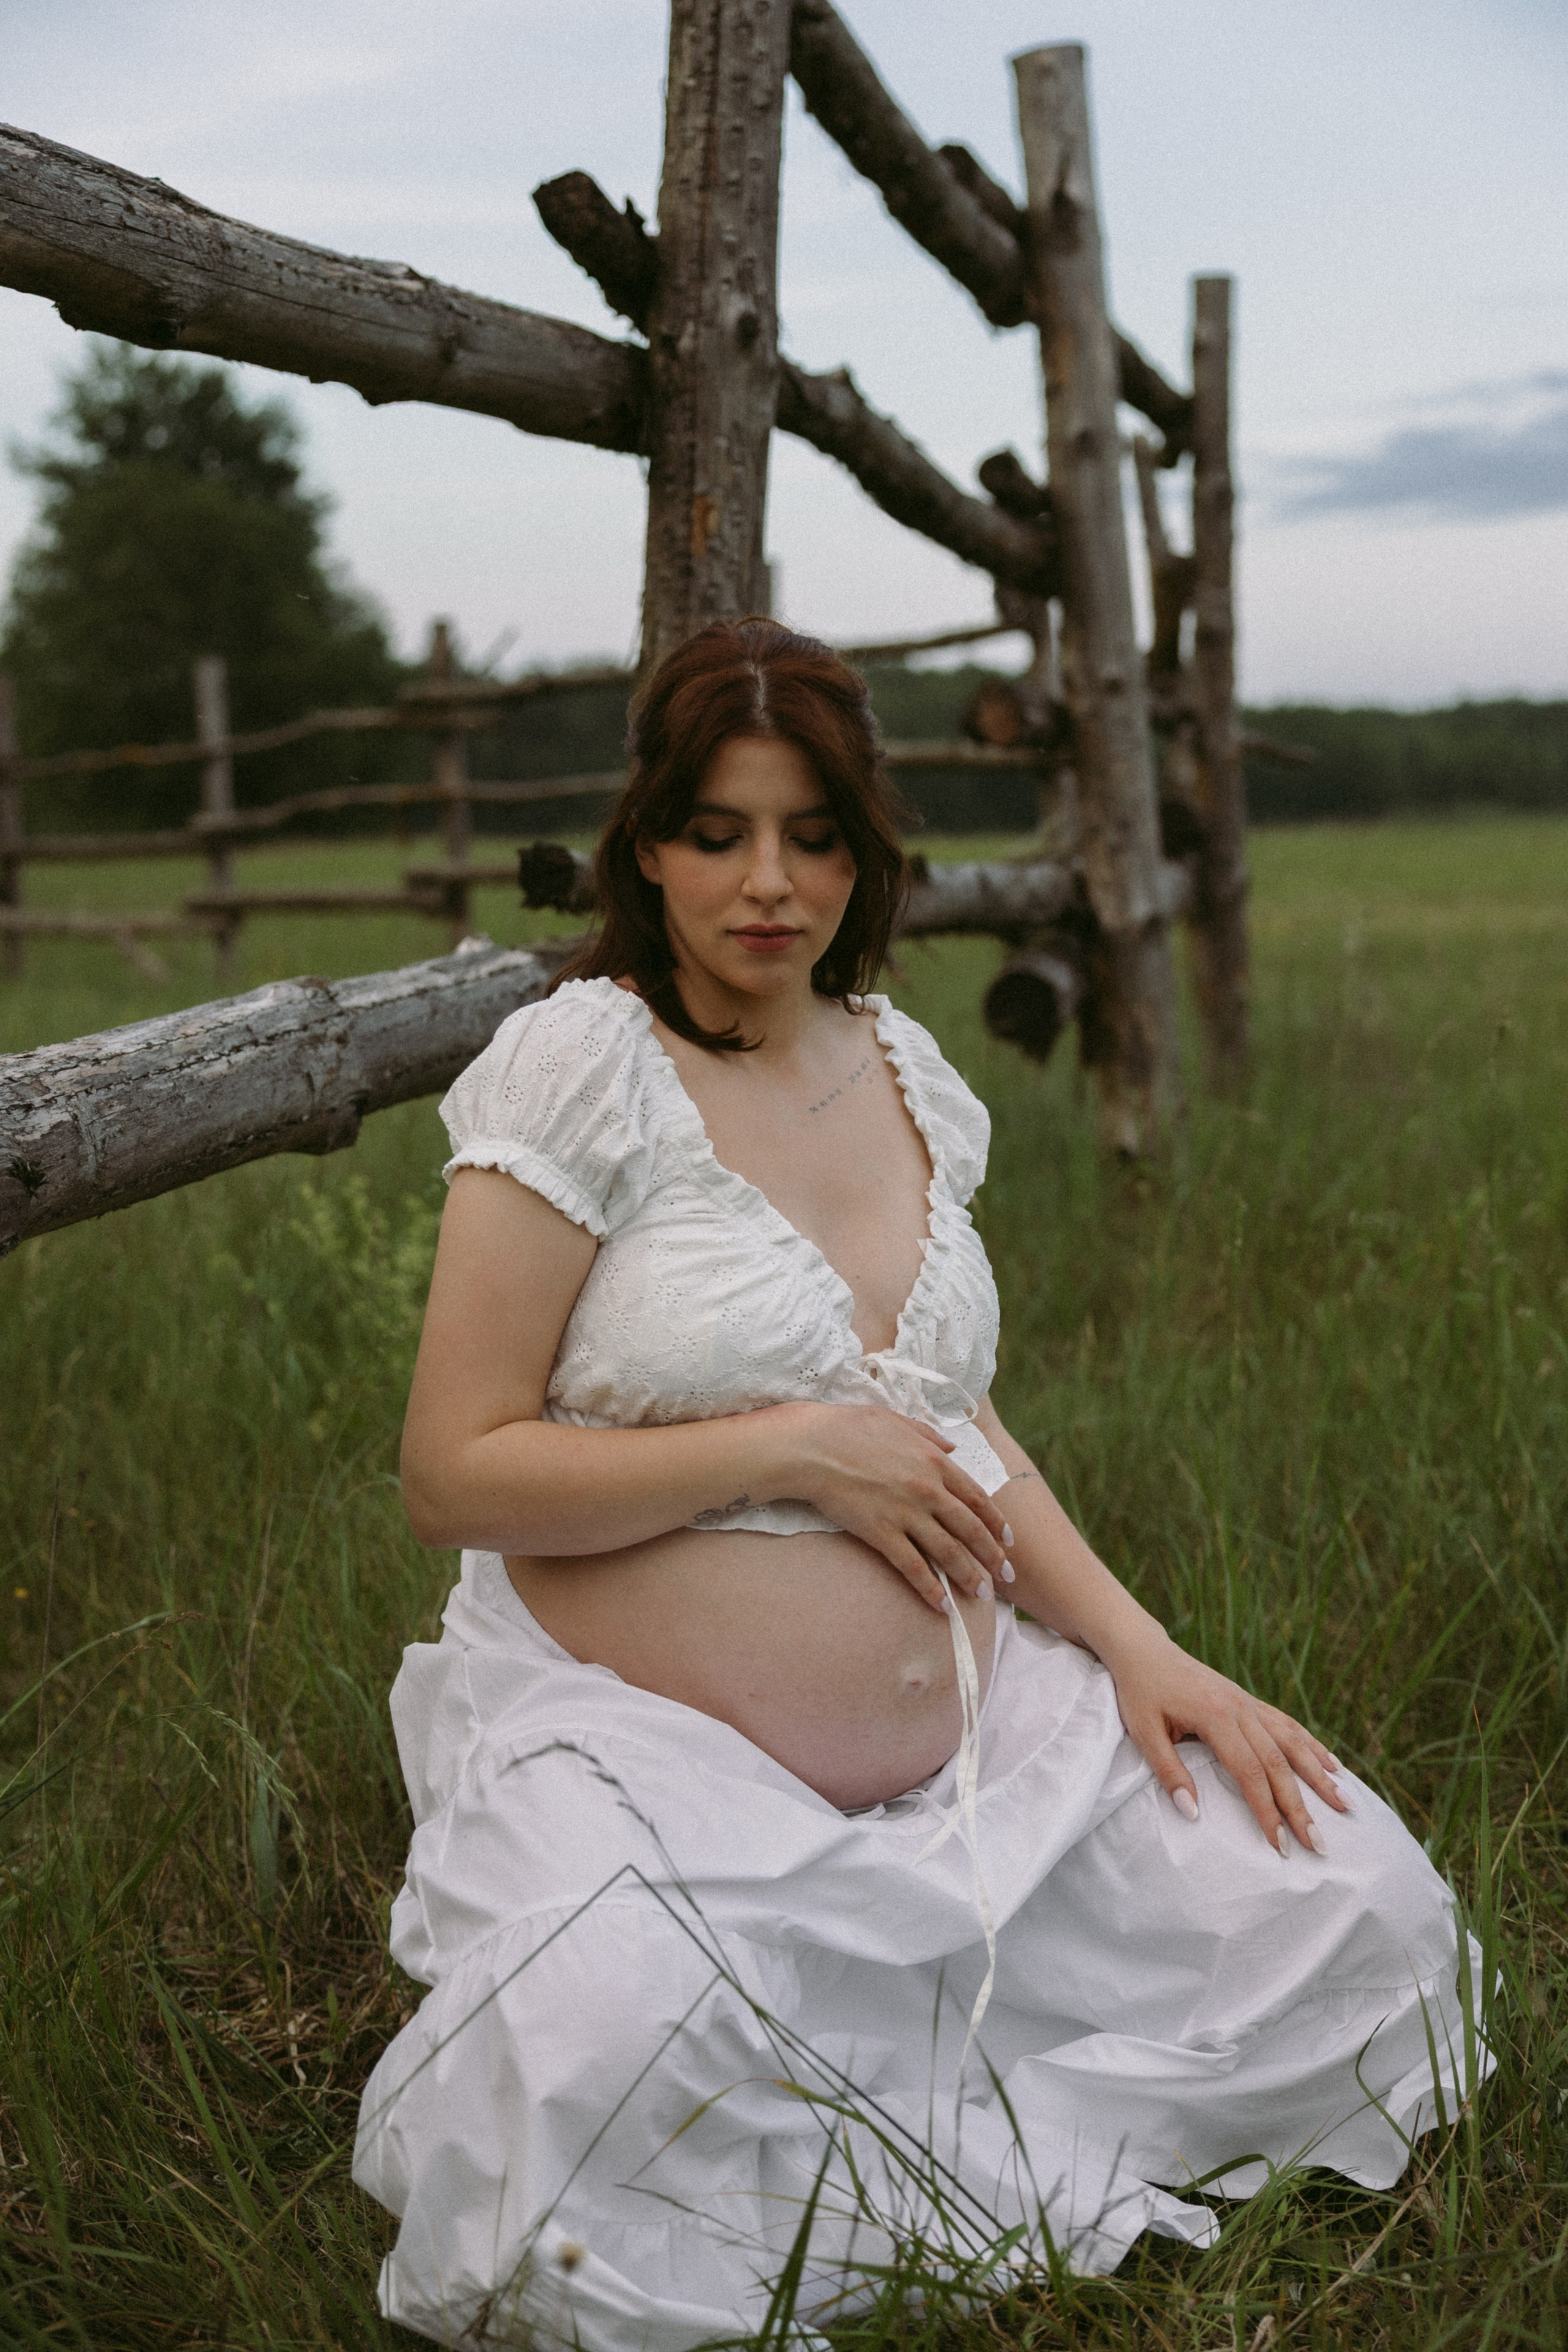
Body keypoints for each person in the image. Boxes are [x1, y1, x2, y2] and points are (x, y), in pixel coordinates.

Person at [355, 619, 1485, 2351]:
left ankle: (973, 2086)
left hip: (975, 1736)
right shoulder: (583, 1065)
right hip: (647, 1748)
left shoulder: (908, 1076)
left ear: (865, 853)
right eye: (719, 832)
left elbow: (962, 1423)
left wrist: (1146, 1655)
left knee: (1360, 1904)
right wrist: (790, 1449)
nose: (768, 884)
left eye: (813, 835)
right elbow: (455, 1472)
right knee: (599, 2060)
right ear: (645, 843)